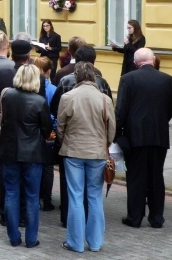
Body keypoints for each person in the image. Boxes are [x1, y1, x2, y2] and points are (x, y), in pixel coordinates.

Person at [50, 46, 113, 226]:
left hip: (71, 144)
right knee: (93, 193)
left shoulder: (64, 81)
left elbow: (56, 112)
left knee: (71, 189)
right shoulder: (102, 84)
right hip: (97, 146)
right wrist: (106, 142)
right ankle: (94, 238)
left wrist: (62, 138)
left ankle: (69, 223)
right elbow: (111, 120)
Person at [114, 47, 172, 228]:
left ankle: (135, 217)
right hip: (159, 135)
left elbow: (121, 111)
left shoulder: (128, 79)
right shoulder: (168, 79)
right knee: (156, 177)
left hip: (135, 136)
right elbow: (170, 109)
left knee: (136, 177)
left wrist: (117, 133)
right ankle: (157, 218)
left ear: (135, 63)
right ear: (153, 60)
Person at [58, 62, 115, 253]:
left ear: (76, 77)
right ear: (93, 77)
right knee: (95, 197)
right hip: (97, 152)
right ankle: (96, 242)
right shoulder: (105, 99)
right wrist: (104, 143)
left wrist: (64, 140)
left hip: (73, 151)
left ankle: (75, 242)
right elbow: (112, 129)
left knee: (75, 196)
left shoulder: (68, 97)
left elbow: (60, 126)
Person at [0, 64, 52, 248]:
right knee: (32, 196)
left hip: (9, 151)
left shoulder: (7, 97)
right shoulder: (40, 101)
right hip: (33, 153)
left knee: (11, 194)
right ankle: (31, 239)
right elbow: (46, 130)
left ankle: (13, 237)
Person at [32, 56, 57, 212]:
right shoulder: (53, 89)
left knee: (35, 165)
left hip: (33, 130)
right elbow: (55, 111)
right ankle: (47, 200)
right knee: (48, 167)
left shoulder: (30, 86)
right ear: (49, 71)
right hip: (48, 131)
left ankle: (35, 196)